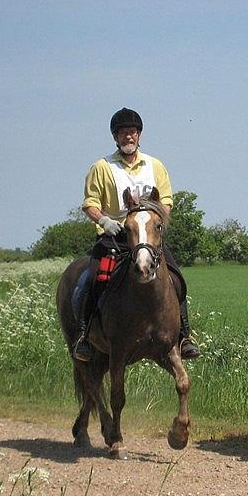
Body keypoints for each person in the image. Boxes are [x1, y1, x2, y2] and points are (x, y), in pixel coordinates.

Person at [72, 107, 201, 362]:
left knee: (175, 278)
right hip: (115, 238)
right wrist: (104, 220)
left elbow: (166, 201)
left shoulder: (155, 165)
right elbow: (90, 203)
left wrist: (153, 222)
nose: (128, 137)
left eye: (132, 132)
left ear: (139, 136)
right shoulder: (102, 167)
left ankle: (184, 335)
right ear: (115, 137)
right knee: (93, 278)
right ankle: (86, 336)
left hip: (149, 238)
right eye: (122, 133)